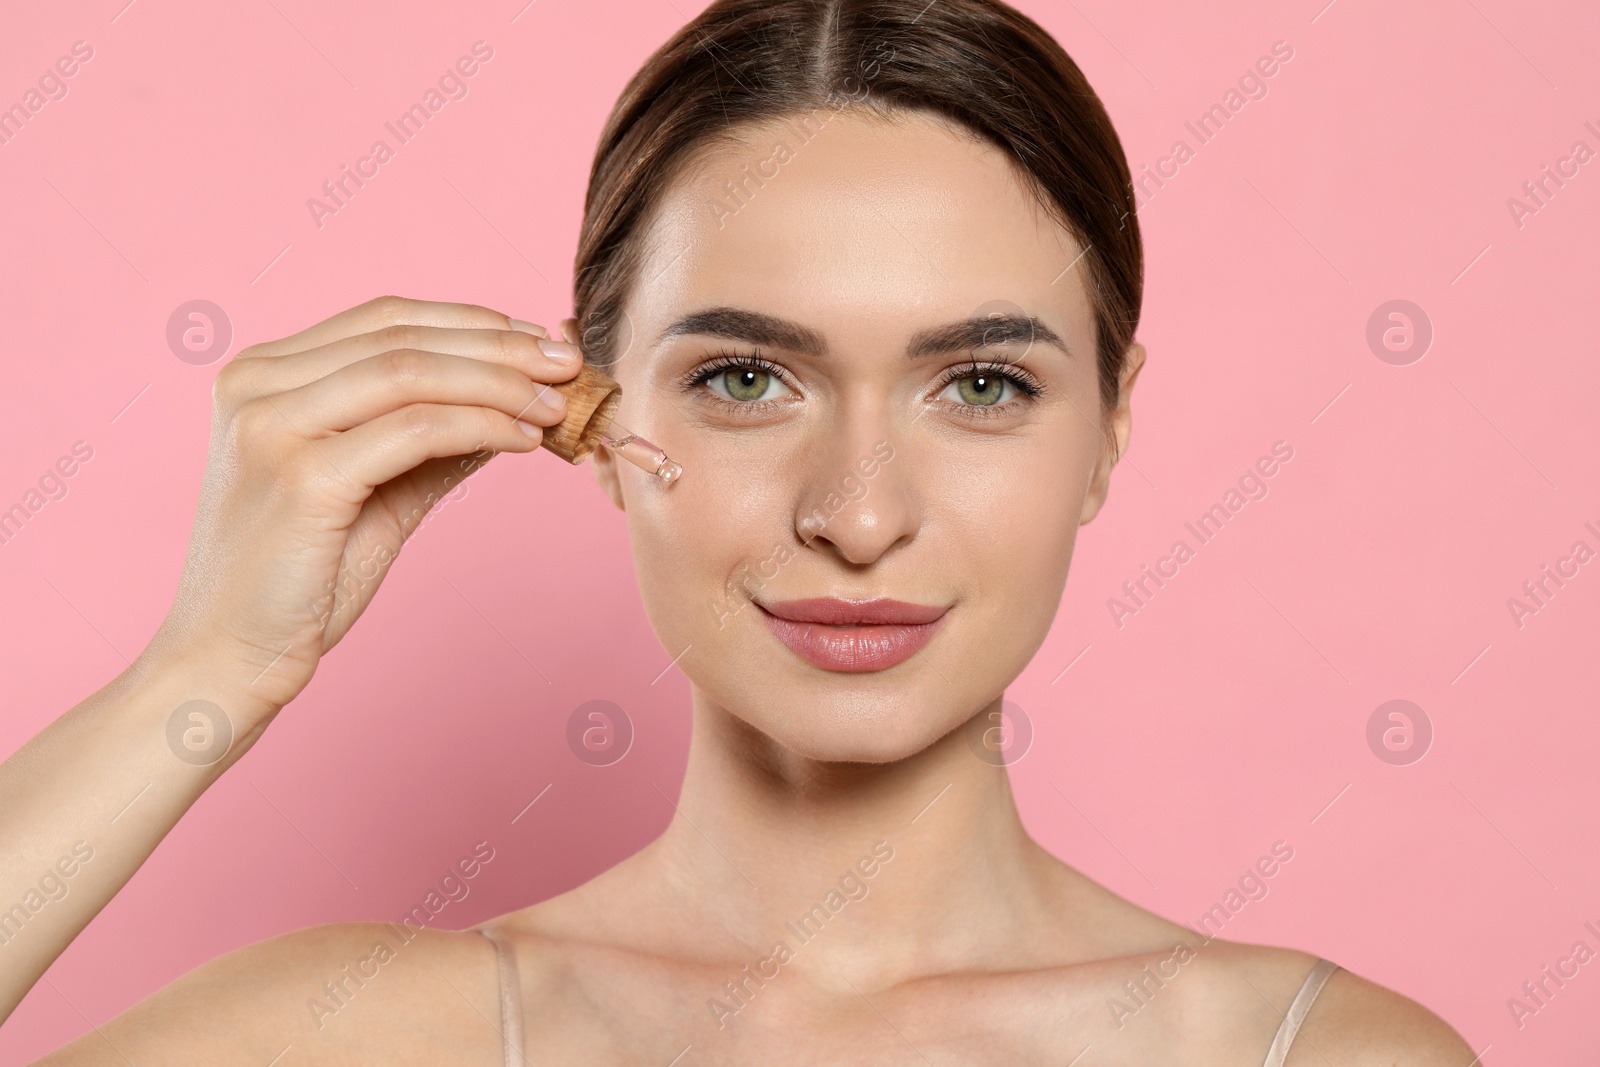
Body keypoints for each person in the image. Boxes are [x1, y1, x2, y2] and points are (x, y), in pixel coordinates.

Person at [4, 0, 1476, 1062]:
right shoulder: (355, 1039)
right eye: (745, 379)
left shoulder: (1313, 1054)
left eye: (982, 384)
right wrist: (199, 677)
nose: (858, 514)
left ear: (1111, 430)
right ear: (589, 418)